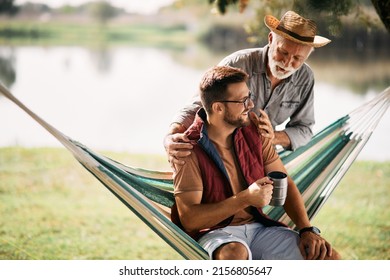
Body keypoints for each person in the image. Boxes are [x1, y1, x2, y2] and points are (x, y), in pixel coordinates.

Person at [170, 65, 340, 260]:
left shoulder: (255, 132)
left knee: (327, 257)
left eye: (249, 97)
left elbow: (286, 183)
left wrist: (306, 229)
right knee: (234, 254)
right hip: (215, 233)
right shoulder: (188, 149)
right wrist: (245, 198)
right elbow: (190, 219)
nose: (250, 105)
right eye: (242, 101)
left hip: (260, 229)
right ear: (218, 107)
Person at [164, 11, 331, 166]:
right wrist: (171, 136)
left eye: (297, 58)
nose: (287, 63)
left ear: (308, 55)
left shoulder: (305, 78)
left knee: (283, 192)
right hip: (219, 154)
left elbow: (305, 130)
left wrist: (274, 137)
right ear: (271, 39)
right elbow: (199, 105)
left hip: (261, 158)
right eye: (283, 52)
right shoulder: (237, 63)